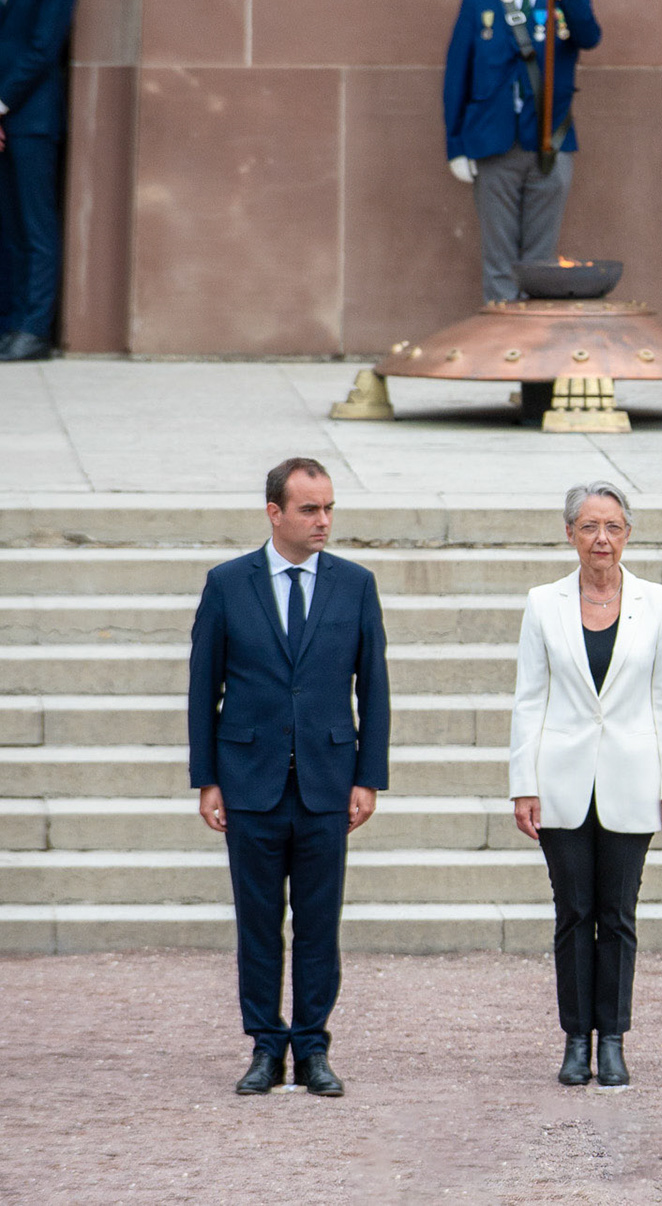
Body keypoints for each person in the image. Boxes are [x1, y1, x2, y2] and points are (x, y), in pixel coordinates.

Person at [188, 459, 389, 1098]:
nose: (323, 520)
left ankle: (312, 1046)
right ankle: (264, 1047)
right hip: (249, 781)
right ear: (275, 513)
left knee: (319, 921)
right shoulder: (227, 584)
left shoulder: (355, 585)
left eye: (328, 507)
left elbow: (375, 688)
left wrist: (369, 775)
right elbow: (203, 687)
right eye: (309, 509)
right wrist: (207, 777)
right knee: (257, 920)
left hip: (328, 783)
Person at [509, 481, 662, 1089]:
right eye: (589, 527)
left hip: (632, 778)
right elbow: (529, 697)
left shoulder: (658, 602)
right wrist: (522, 783)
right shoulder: (543, 602)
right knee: (572, 912)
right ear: (569, 534)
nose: (601, 539)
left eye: (612, 527)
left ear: (628, 533)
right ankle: (573, 1039)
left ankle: (611, 1038)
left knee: (617, 913)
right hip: (559, 778)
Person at [443, 0, 602, 302]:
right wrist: (456, 146)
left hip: (550, 142)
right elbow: (456, 79)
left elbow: (589, 37)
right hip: (493, 142)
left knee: (540, 260)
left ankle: (533, 344)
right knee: (498, 257)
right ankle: (501, 341)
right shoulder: (478, 2)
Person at [0, 0, 75, 364]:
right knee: (10, 227)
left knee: (36, 227)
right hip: (8, 118)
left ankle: (33, 329)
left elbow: (43, 48)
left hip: (32, 120)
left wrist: (2, 103)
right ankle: (11, 322)